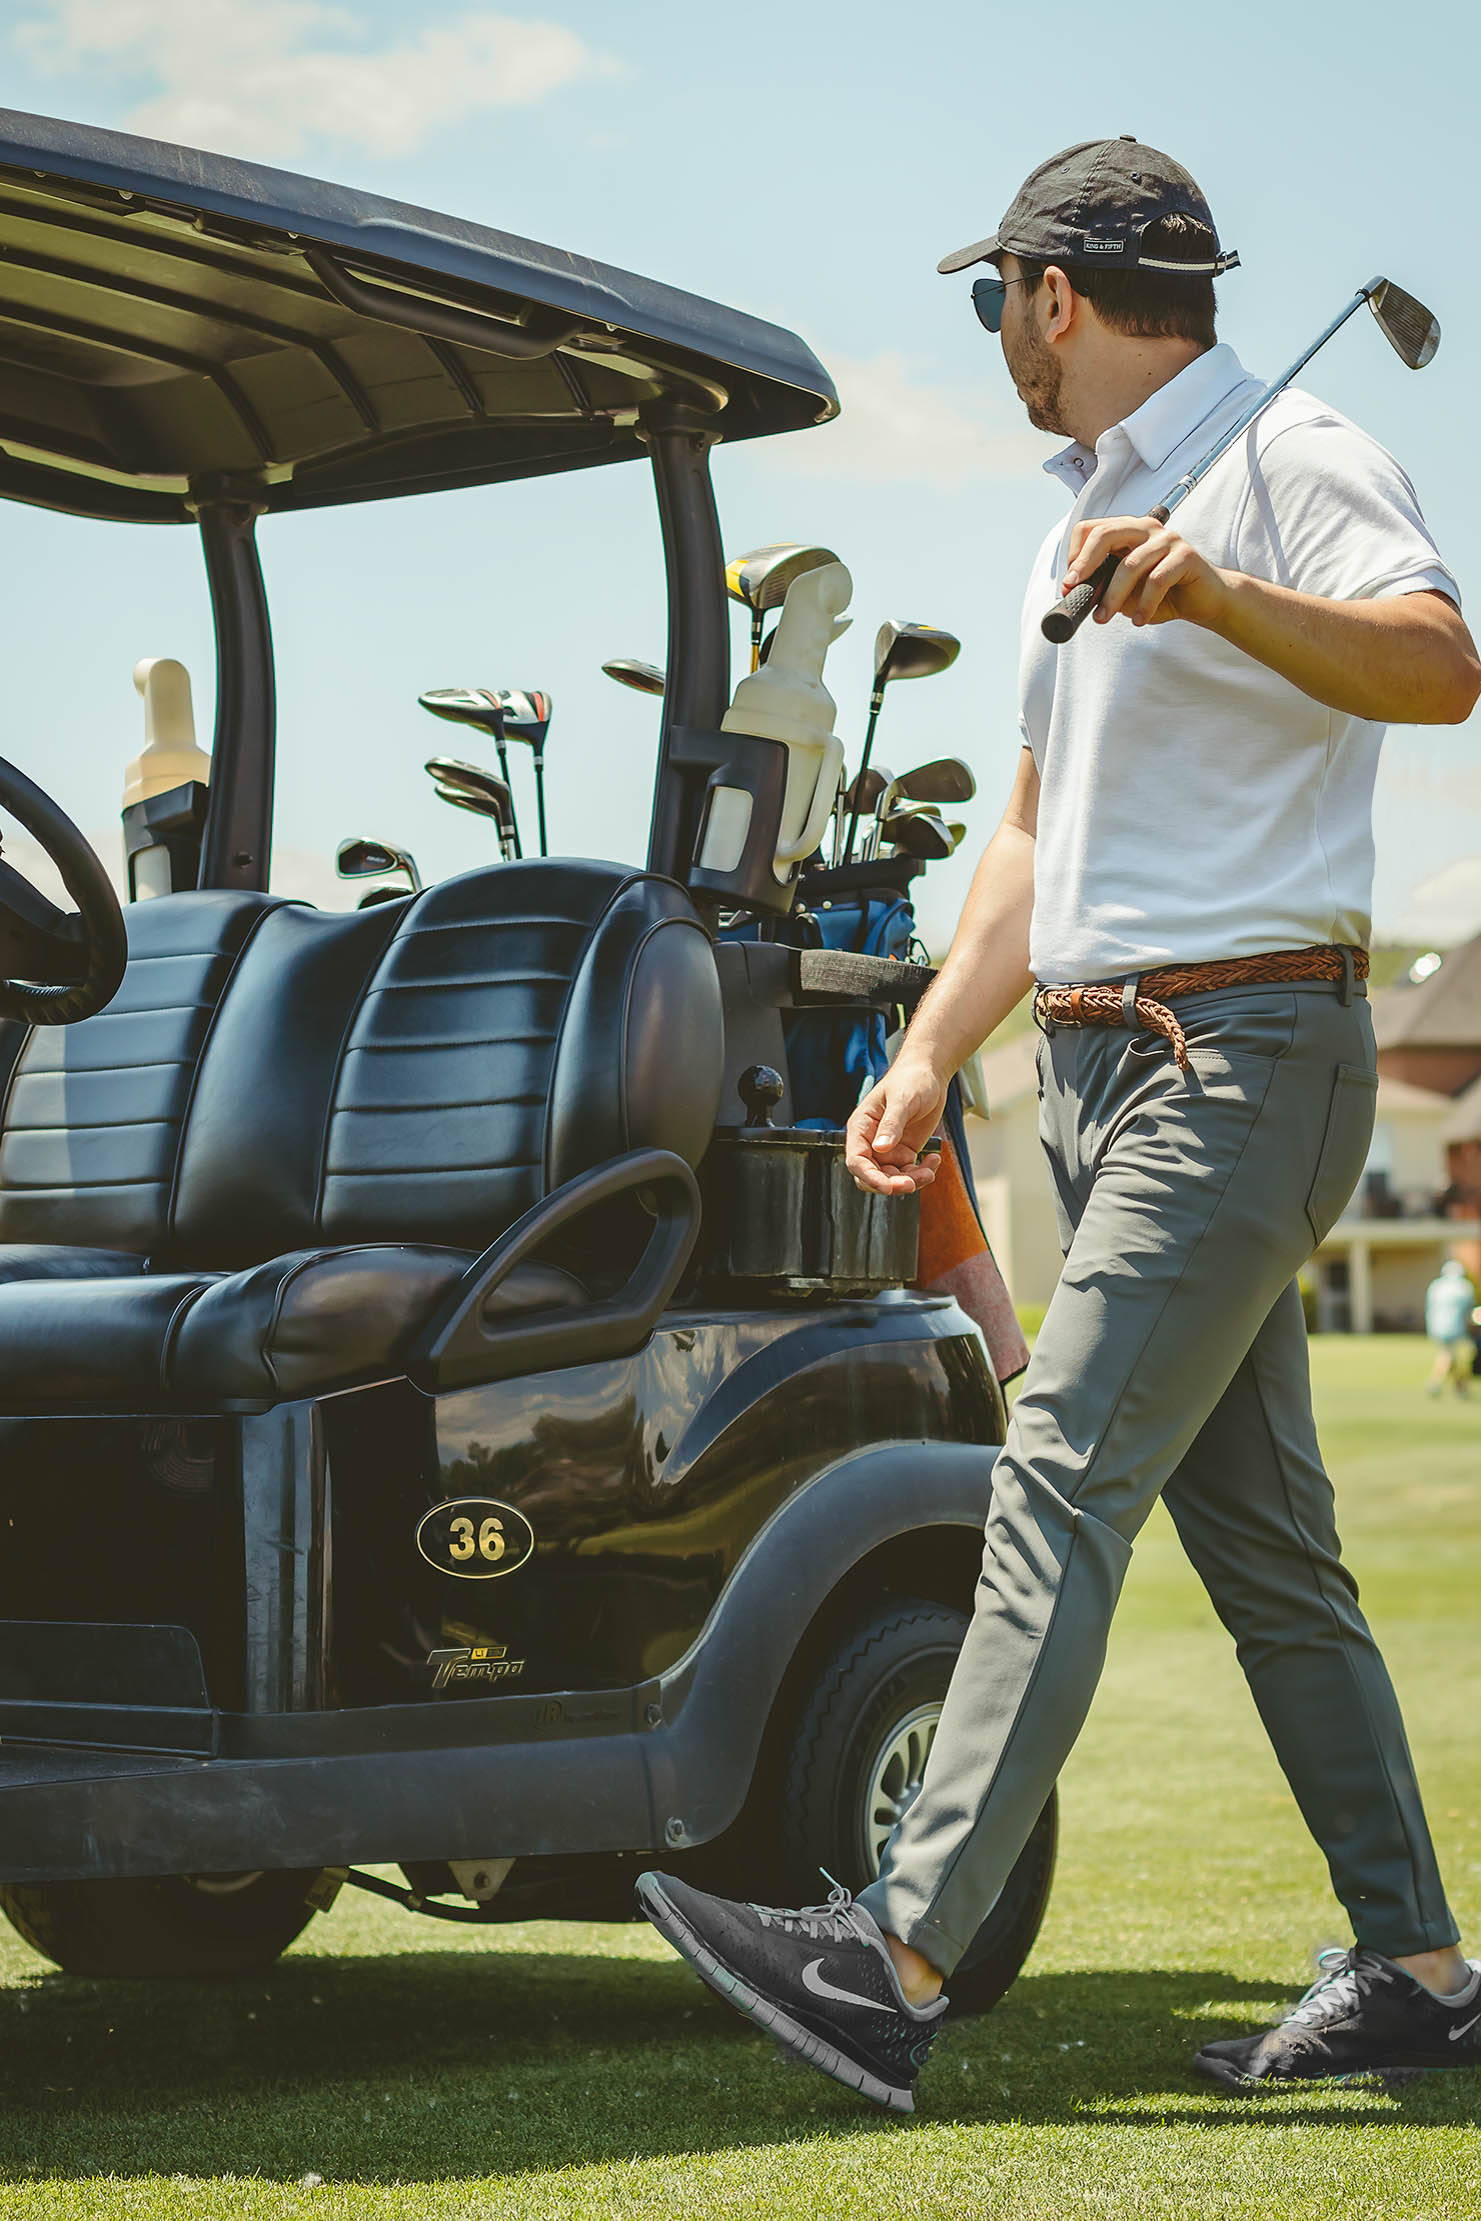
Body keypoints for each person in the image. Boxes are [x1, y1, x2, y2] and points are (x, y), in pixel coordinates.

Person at [638, 137, 1481, 2112]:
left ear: (1054, 292)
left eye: (992, 297)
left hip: (1237, 1059)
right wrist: (929, 1050)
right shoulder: (1064, 532)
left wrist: (1223, 589)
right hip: (1104, 1073)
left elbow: (1438, 664)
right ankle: (1417, 1967)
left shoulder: (1290, 459)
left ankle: (895, 1955)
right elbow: (1032, 838)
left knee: (1053, 1481)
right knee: (1267, 1556)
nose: (996, 338)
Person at [1425, 1256, 1477, 1398]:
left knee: (1451, 1356)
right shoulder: (1464, 1287)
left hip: (1435, 1326)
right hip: (1455, 1327)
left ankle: (1460, 1388)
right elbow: (1470, 1311)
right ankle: (1435, 1382)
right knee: (1448, 1355)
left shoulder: (1436, 1286)